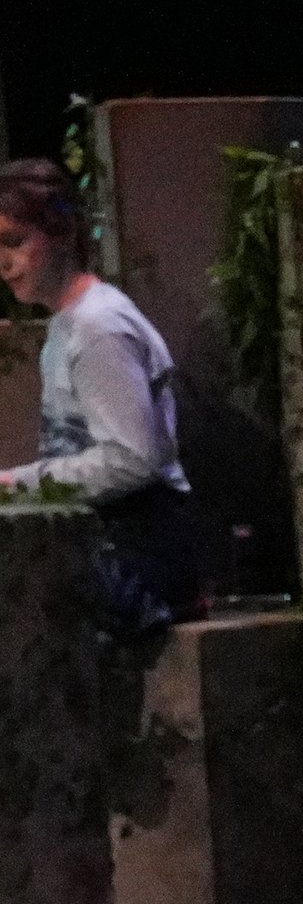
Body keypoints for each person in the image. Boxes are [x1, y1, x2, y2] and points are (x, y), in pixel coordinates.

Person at [0, 154, 202, 632]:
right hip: (106, 539)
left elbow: (132, 458)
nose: (3, 264)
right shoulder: (67, 326)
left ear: (63, 234)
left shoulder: (98, 326)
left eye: (14, 242)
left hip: (141, 550)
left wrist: (13, 486)